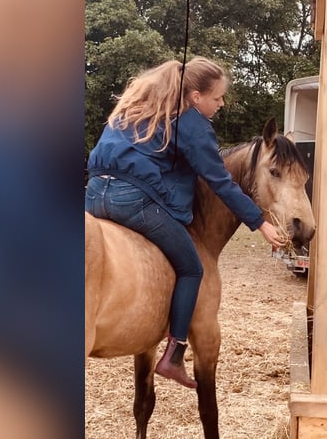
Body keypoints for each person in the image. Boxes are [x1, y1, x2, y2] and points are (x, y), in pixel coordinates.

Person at [85, 56, 284, 388]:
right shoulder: (191, 124)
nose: (220, 104)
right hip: (130, 200)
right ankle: (174, 353)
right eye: (217, 97)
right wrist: (259, 223)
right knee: (193, 267)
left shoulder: (134, 111)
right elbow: (220, 182)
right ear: (195, 97)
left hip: (93, 195)